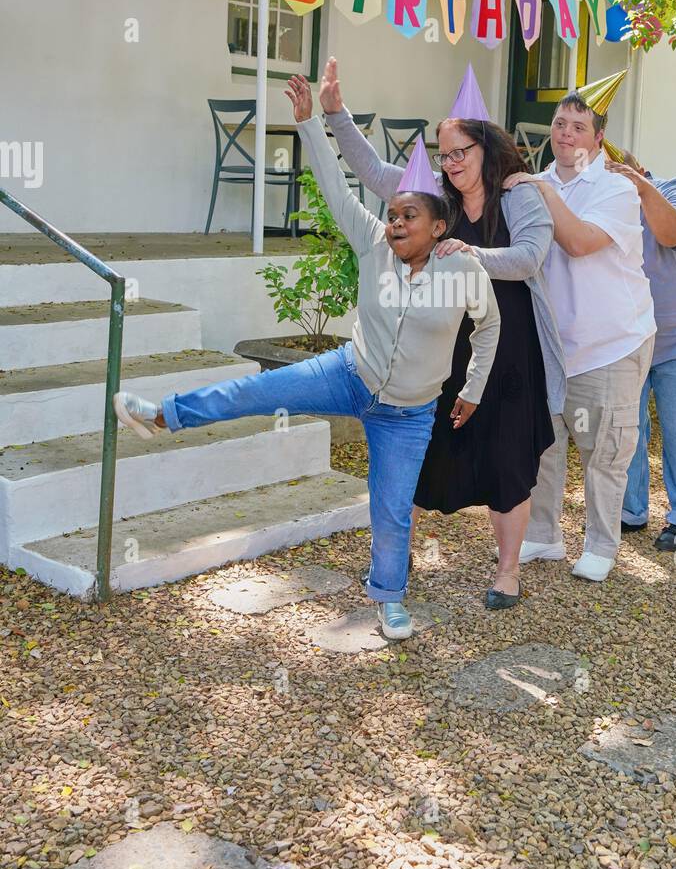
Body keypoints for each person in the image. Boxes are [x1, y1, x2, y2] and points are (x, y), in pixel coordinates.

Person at [113, 77, 500, 640]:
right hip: (349, 372)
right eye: (392, 214)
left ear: (439, 226)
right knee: (254, 392)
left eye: (408, 216)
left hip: (409, 413)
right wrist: (308, 122)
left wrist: (473, 388)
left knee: (391, 510)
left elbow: (490, 327)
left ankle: (389, 598)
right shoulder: (373, 244)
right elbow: (338, 188)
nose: (394, 223)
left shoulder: (463, 269)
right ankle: (162, 415)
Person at [320, 57, 566, 609]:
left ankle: (507, 573)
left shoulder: (519, 193)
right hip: (445, 342)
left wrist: (470, 252)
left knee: (508, 456)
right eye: (444, 154)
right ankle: (396, 550)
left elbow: (529, 259)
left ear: (486, 149)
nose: (451, 163)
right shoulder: (438, 198)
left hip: (509, 349)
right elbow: (378, 175)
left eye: (461, 152)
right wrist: (335, 115)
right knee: (419, 444)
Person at [503, 84, 656, 583]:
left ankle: (601, 545)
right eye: (560, 125)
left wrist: (543, 191)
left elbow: (578, 242)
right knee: (545, 444)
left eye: (578, 127)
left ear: (598, 137)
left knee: (604, 448)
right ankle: (544, 536)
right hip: (553, 344)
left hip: (611, 343)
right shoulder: (537, 181)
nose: (566, 135)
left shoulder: (615, 189)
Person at [605, 147, 676, 553]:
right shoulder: (605, 203)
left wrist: (640, 186)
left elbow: (671, 235)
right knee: (624, 430)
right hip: (625, 337)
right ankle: (628, 510)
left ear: (638, 169)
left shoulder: (673, 189)